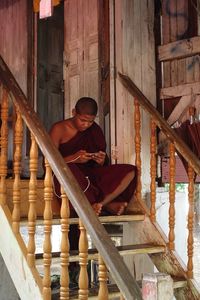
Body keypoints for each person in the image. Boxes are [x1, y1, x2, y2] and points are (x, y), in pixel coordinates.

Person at [50, 97, 137, 216]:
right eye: (83, 120)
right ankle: (106, 205)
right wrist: (73, 158)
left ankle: (99, 204)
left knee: (130, 171)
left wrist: (101, 161)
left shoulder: (95, 130)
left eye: (90, 121)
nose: (86, 125)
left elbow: (98, 164)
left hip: (89, 174)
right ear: (74, 112)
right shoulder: (59, 129)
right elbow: (49, 161)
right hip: (68, 174)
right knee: (70, 169)